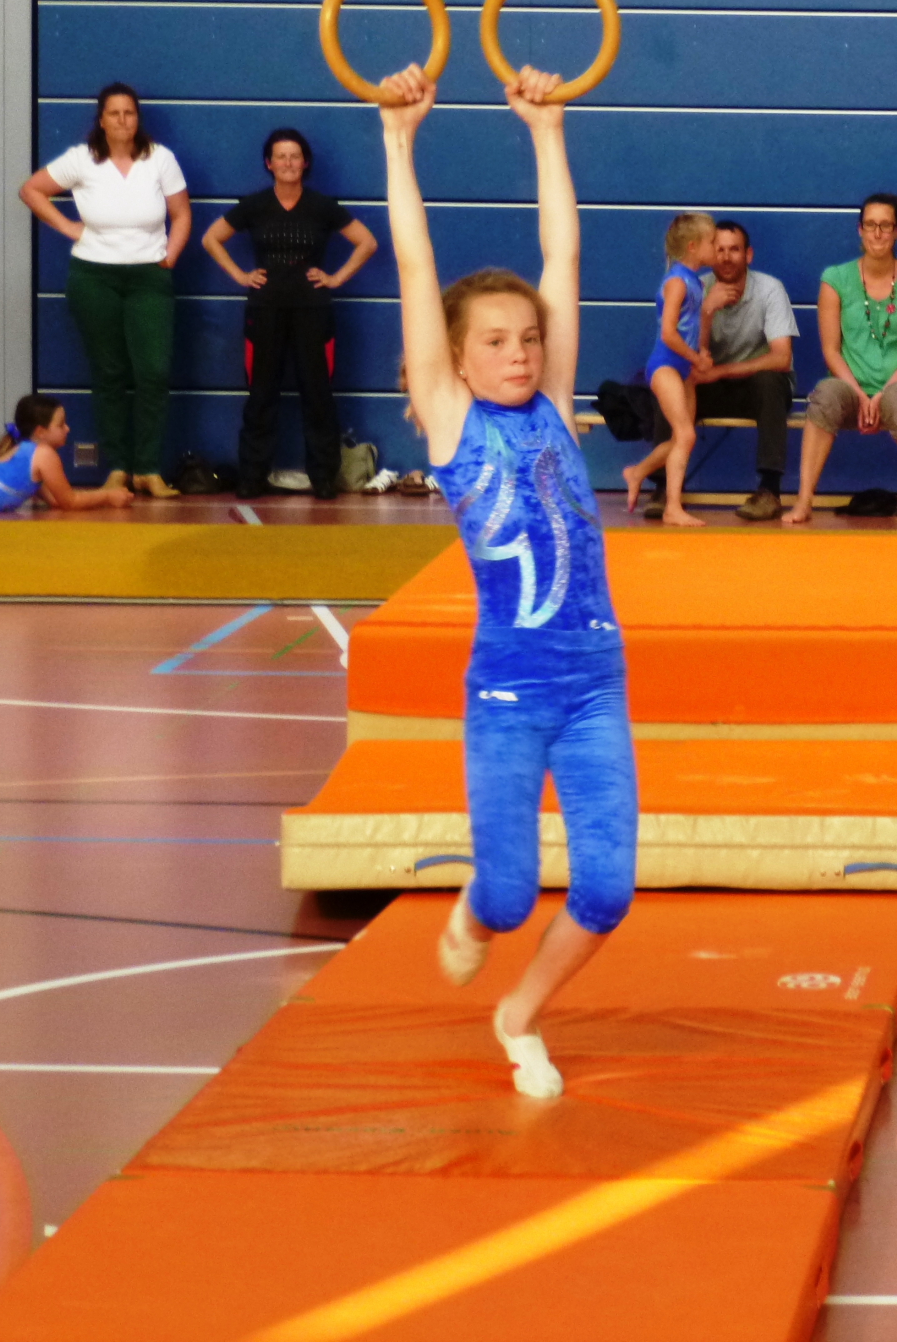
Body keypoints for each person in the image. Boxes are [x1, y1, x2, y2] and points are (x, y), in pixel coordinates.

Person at [379, 59, 638, 1102]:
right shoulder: (453, 423)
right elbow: (414, 264)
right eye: (495, 342)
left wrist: (546, 128)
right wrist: (397, 140)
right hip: (508, 688)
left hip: (595, 679)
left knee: (608, 888)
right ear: (455, 359)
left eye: (529, 338)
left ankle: (519, 1012)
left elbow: (562, 252)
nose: (522, 354)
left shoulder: (554, 403)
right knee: (506, 892)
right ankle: (473, 915)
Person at [18, 83, 192, 499]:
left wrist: (170, 256)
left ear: (137, 119)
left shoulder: (160, 159)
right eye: (114, 113)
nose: (122, 120)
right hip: (94, 278)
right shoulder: (82, 159)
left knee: (153, 372)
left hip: (149, 278)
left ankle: (148, 469)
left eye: (129, 113)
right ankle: (118, 468)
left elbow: (182, 213)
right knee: (109, 372)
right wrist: (68, 227)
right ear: (101, 120)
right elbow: (31, 190)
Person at [201, 127, 379, 500]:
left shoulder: (322, 206)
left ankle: (324, 478)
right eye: (280, 156)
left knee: (318, 395)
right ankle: (252, 477)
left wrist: (335, 278)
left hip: (313, 312)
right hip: (264, 311)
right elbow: (210, 238)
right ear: (269, 163)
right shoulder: (254, 205)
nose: (288, 162)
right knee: (261, 395)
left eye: (294, 156)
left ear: (305, 162)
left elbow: (367, 242)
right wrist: (240, 275)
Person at [787, 193, 897, 527]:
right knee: (825, 395)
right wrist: (861, 395)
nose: (877, 233)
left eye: (885, 226)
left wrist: (880, 396)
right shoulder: (834, 279)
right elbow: (831, 351)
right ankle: (803, 501)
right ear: (859, 229)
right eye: (870, 225)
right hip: (851, 388)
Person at [632, 222, 798, 523]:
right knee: (670, 382)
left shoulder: (770, 289)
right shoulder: (696, 287)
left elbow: (782, 358)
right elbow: (691, 349)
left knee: (771, 381)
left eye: (734, 250)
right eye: (719, 249)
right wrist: (707, 311)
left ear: (748, 255)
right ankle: (664, 489)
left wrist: (721, 371)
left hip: (751, 387)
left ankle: (769, 490)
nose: (726, 257)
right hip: (707, 383)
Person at [620, 213, 719, 527]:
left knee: (682, 438)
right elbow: (668, 334)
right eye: (712, 242)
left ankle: (637, 472)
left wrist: (702, 351)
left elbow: (694, 326)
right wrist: (695, 358)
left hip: (683, 368)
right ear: (693, 247)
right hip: (664, 365)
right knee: (686, 434)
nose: (716, 248)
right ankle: (672, 507)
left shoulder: (696, 282)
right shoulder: (677, 282)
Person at [0, 395, 133, 518]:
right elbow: (70, 501)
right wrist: (107, 496)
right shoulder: (44, 454)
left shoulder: (29, 452)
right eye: (61, 425)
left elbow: (56, 500)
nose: (67, 429)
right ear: (41, 432)